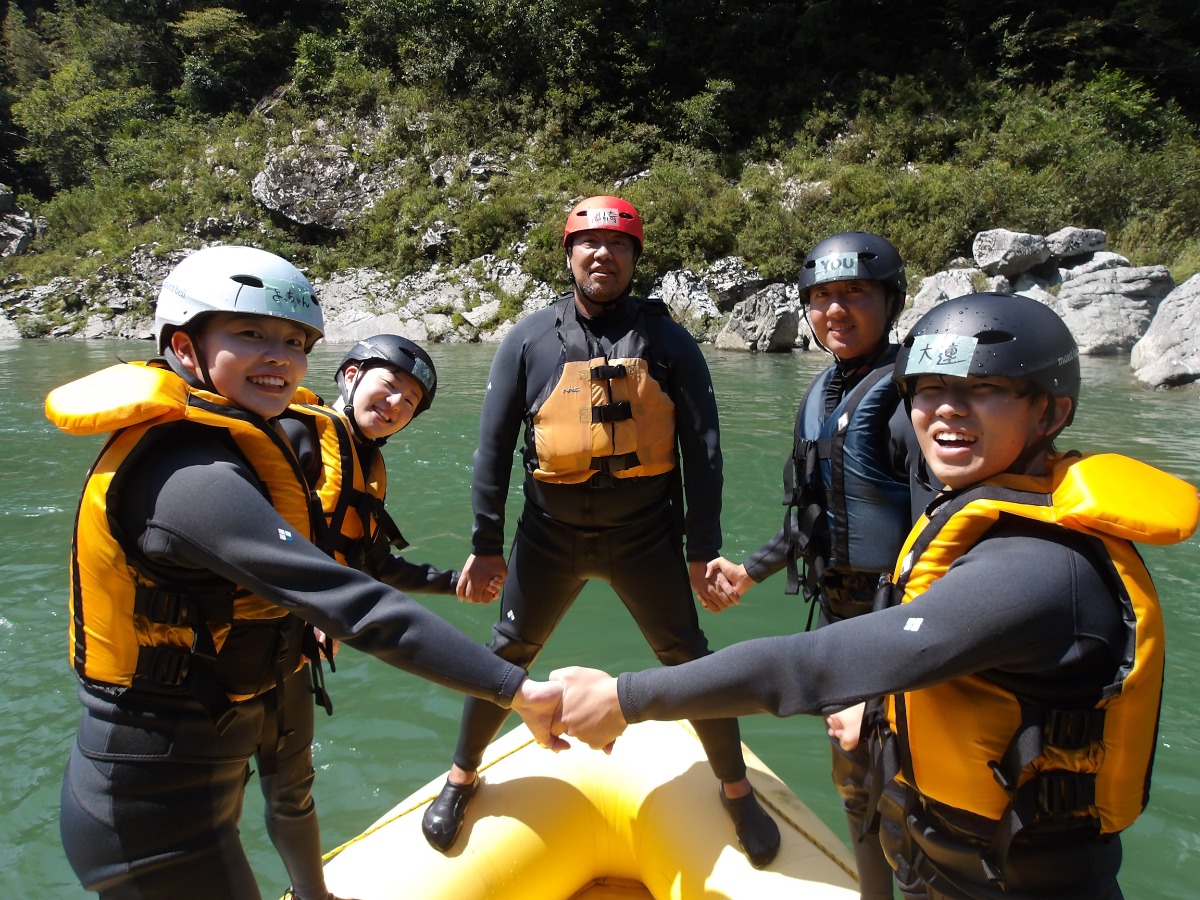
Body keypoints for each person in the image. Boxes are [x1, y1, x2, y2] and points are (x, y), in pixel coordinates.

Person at [552, 293, 1199, 899]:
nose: (947, 408)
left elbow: (813, 667)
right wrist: (880, 702)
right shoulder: (976, 505)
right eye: (931, 389)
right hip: (940, 856)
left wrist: (623, 698)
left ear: (1051, 411)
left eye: (986, 389)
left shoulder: (1045, 569)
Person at [46, 245, 563, 900]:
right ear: (183, 346)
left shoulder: (240, 447)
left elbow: (361, 567)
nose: (280, 358)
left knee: (289, 792)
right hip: (149, 809)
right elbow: (353, 599)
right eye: (251, 334)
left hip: (201, 768)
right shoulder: (189, 477)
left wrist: (447, 582)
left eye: (295, 342)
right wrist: (516, 689)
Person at [421, 195, 781, 868]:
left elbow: (703, 451)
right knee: (506, 655)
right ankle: (462, 778)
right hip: (549, 537)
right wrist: (485, 543)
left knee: (690, 658)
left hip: (645, 537)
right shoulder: (529, 339)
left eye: (618, 246)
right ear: (568, 254)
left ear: (634, 259)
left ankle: (735, 790)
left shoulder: (670, 343)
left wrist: (702, 550)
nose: (602, 255)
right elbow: (493, 448)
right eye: (588, 244)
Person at [708, 231, 926, 898]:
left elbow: (932, 550)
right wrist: (752, 569)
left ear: (890, 300)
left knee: (914, 803)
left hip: (905, 637)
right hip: (841, 623)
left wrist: (876, 684)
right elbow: (816, 514)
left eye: (855, 293)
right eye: (822, 297)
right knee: (857, 792)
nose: (836, 309)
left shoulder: (911, 401)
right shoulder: (825, 394)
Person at [266, 335, 475, 900]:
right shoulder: (294, 436)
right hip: (246, 641)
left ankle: (315, 896)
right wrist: (312, 605)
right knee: (224, 796)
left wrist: (454, 582)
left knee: (291, 787)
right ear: (351, 374)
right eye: (390, 387)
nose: (396, 406)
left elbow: (372, 563)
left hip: (293, 653)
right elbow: (251, 542)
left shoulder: (363, 461)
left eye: (410, 402)